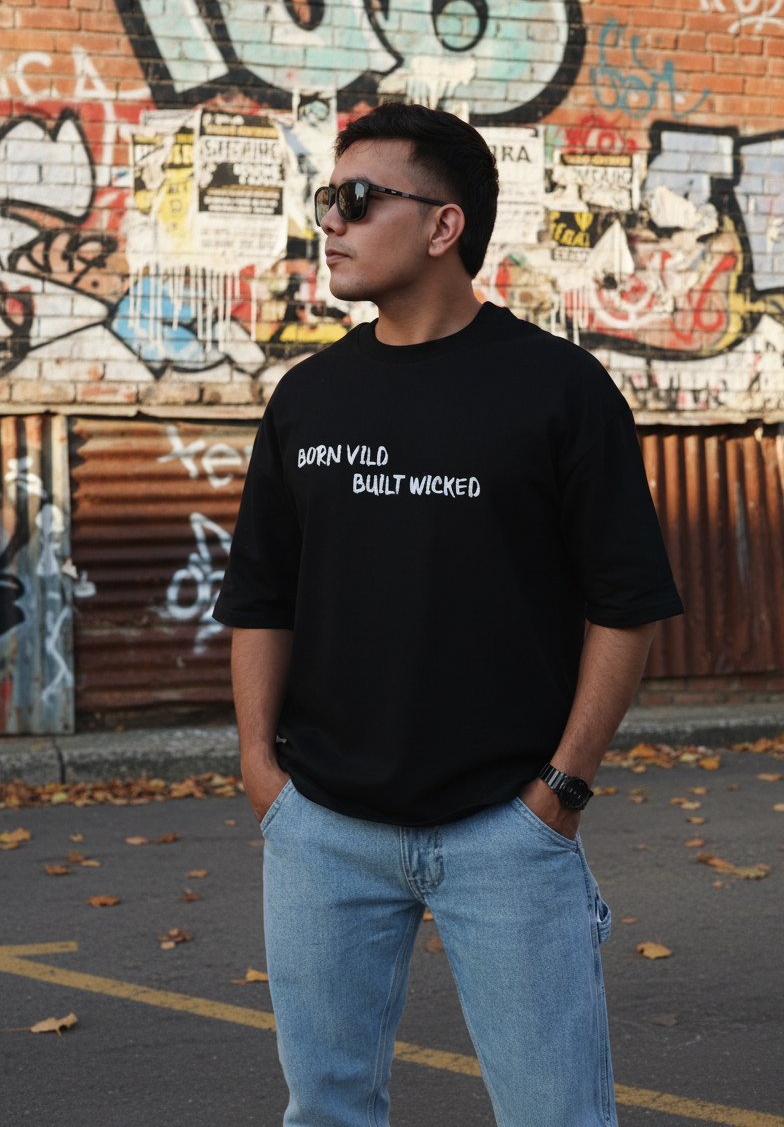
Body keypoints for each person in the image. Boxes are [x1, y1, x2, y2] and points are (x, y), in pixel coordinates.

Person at [213, 102, 683, 1127]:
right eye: (326, 198)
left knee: (555, 1115)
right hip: (322, 829)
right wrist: (260, 772)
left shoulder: (559, 390)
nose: (328, 221)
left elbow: (627, 604)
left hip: (505, 830)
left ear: (443, 225)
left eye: (356, 198)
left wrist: (562, 789)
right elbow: (260, 596)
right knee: (326, 1110)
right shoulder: (308, 398)